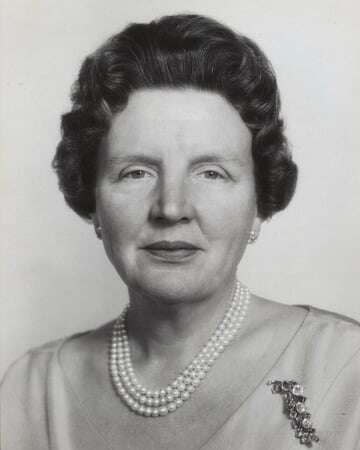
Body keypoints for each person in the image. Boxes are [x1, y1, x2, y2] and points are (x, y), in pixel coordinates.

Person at [1, 14, 359, 450]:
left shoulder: (342, 369)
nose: (172, 208)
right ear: (93, 201)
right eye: (136, 172)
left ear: (260, 204)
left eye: (211, 172)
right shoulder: (33, 390)